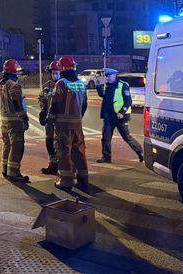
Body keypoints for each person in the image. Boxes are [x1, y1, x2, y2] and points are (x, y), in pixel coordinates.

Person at [49, 55, 89, 192]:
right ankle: (83, 179)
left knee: (64, 152)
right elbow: (84, 105)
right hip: (77, 124)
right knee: (79, 151)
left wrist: (50, 118)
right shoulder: (81, 84)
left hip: (63, 125)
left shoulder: (61, 83)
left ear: (61, 68)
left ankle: (66, 181)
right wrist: (78, 117)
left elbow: (55, 103)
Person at [96, 68, 144, 163]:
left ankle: (139, 151)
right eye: (106, 76)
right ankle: (106, 157)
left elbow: (128, 101)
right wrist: (98, 85)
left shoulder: (123, 85)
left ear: (114, 75)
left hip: (120, 116)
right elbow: (103, 95)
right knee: (106, 137)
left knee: (127, 137)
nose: (107, 78)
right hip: (109, 116)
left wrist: (122, 112)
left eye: (109, 75)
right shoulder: (107, 86)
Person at [0, 58, 30, 182]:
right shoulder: (13, 85)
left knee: (6, 146)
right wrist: (24, 118)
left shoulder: (1, 83)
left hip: (4, 121)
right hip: (15, 122)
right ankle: (14, 172)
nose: (18, 74)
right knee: (17, 147)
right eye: (17, 71)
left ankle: (5, 169)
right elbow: (17, 103)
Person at [38, 60, 60, 175]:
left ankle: (66, 166)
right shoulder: (46, 86)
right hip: (49, 120)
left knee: (62, 143)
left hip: (60, 121)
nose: (55, 75)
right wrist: (42, 110)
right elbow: (41, 99)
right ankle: (53, 164)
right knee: (49, 142)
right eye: (53, 73)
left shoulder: (64, 85)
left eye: (57, 73)